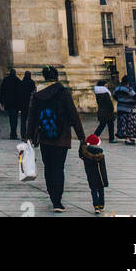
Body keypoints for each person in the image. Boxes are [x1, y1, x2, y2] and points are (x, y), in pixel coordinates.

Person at [25, 64, 86, 212]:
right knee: (59, 168)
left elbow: (32, 116)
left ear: (44, 76)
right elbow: (73, 115)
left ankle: (53, 196)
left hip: (44, 137)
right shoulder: (63, 92)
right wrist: (82, 138)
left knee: (48, 167)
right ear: (56, 76)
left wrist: (29, 137)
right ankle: (57, 201)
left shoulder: (37, 93)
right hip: (62, 137)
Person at [79, 132, 109, 213]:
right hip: (100, 176)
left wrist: (82, 143)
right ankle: (101, 204)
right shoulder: (100, 155)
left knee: (94, 190)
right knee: (101, 190)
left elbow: (80, 153)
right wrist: (105, 180)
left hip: (90, 175)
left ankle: (95, 206)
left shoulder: (85, 154)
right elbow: (103, 169)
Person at [113, 77, 136, 145]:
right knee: (129, 124)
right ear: (127, 82)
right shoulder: (128, 89)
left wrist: (120, 100)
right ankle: (128, 139)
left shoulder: (117, 88)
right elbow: (135, 97)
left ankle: (125, 137)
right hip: (128, 109)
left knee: (122, 123)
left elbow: (114, 96)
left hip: (120, 108)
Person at [0, 67, 23, 139]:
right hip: (15, 104)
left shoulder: (6, 80)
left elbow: (2, 91)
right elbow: (20, 94)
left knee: (11, 119)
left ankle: (12, 133)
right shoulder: (17, 80)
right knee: (14, 119)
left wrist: (1, 102)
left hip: (8, 103)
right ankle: (13, 134)